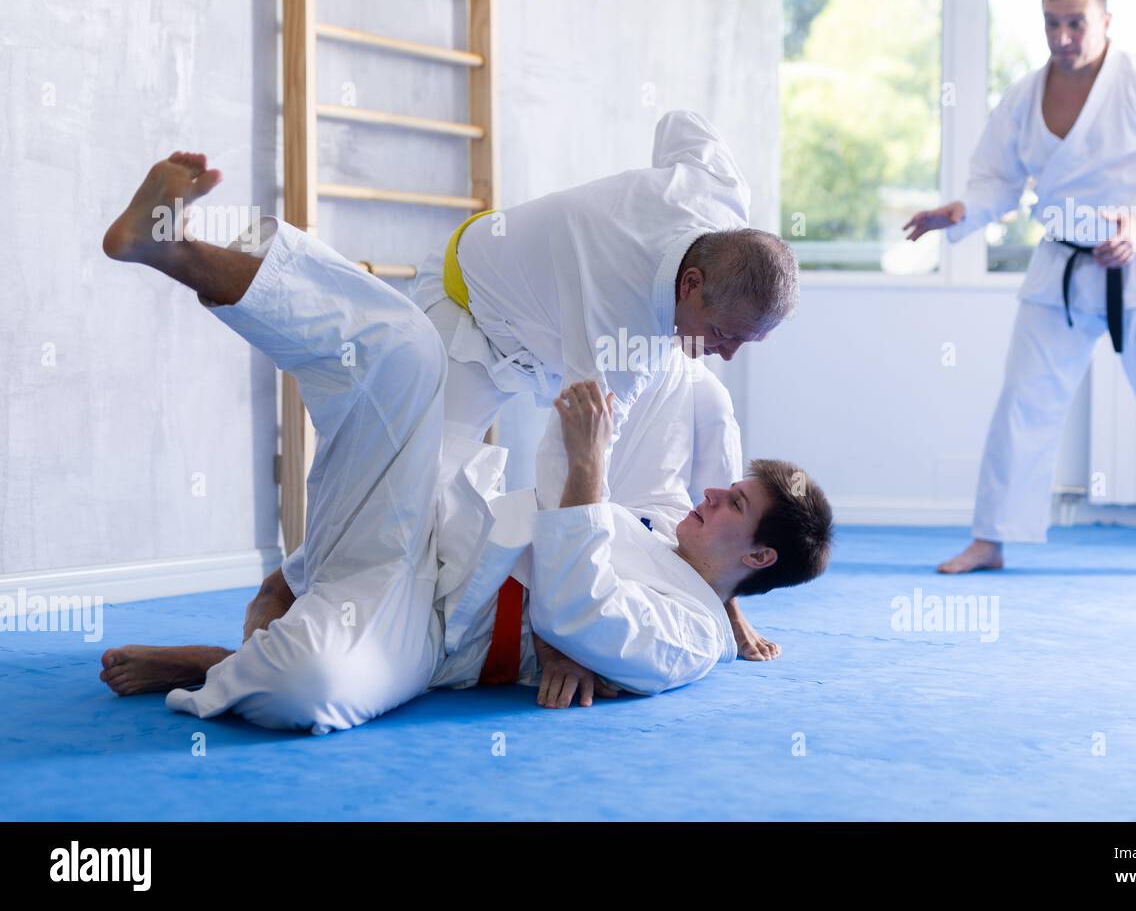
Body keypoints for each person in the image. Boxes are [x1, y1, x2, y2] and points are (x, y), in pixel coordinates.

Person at [97, 154, 832, 731]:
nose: (712, 490)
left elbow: (580, 610)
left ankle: (230, 659)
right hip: (438, 519)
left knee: (310, 687)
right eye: (726, 484)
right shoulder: (665, 524)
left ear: (759, 555)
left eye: (734, 499)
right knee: (404, 349)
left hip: (433, 624)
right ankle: (171, 247)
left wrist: (587, 483)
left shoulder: (692, 635)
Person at [904, 0, 1136, 580]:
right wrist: (963, 210)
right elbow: (997, 177)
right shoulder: (1023, 96)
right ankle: (991, 538)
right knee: (1022, 403)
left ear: (1106, 21)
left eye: (1075, 23)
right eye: (1051, 23)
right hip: (1061, 264)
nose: (1062, 37)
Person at [412, 108, 800, 650]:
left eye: (744, 342)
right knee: (417, 486)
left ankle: (725, 590)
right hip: (470, 311)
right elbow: (565, 468)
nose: (727, 353)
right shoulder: (619, 336)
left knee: (708, 392)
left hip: (548, 319)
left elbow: (680, 123)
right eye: (721, 333)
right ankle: (291, 588)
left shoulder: (718, 193)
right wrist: (559, 636)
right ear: (691, 284)